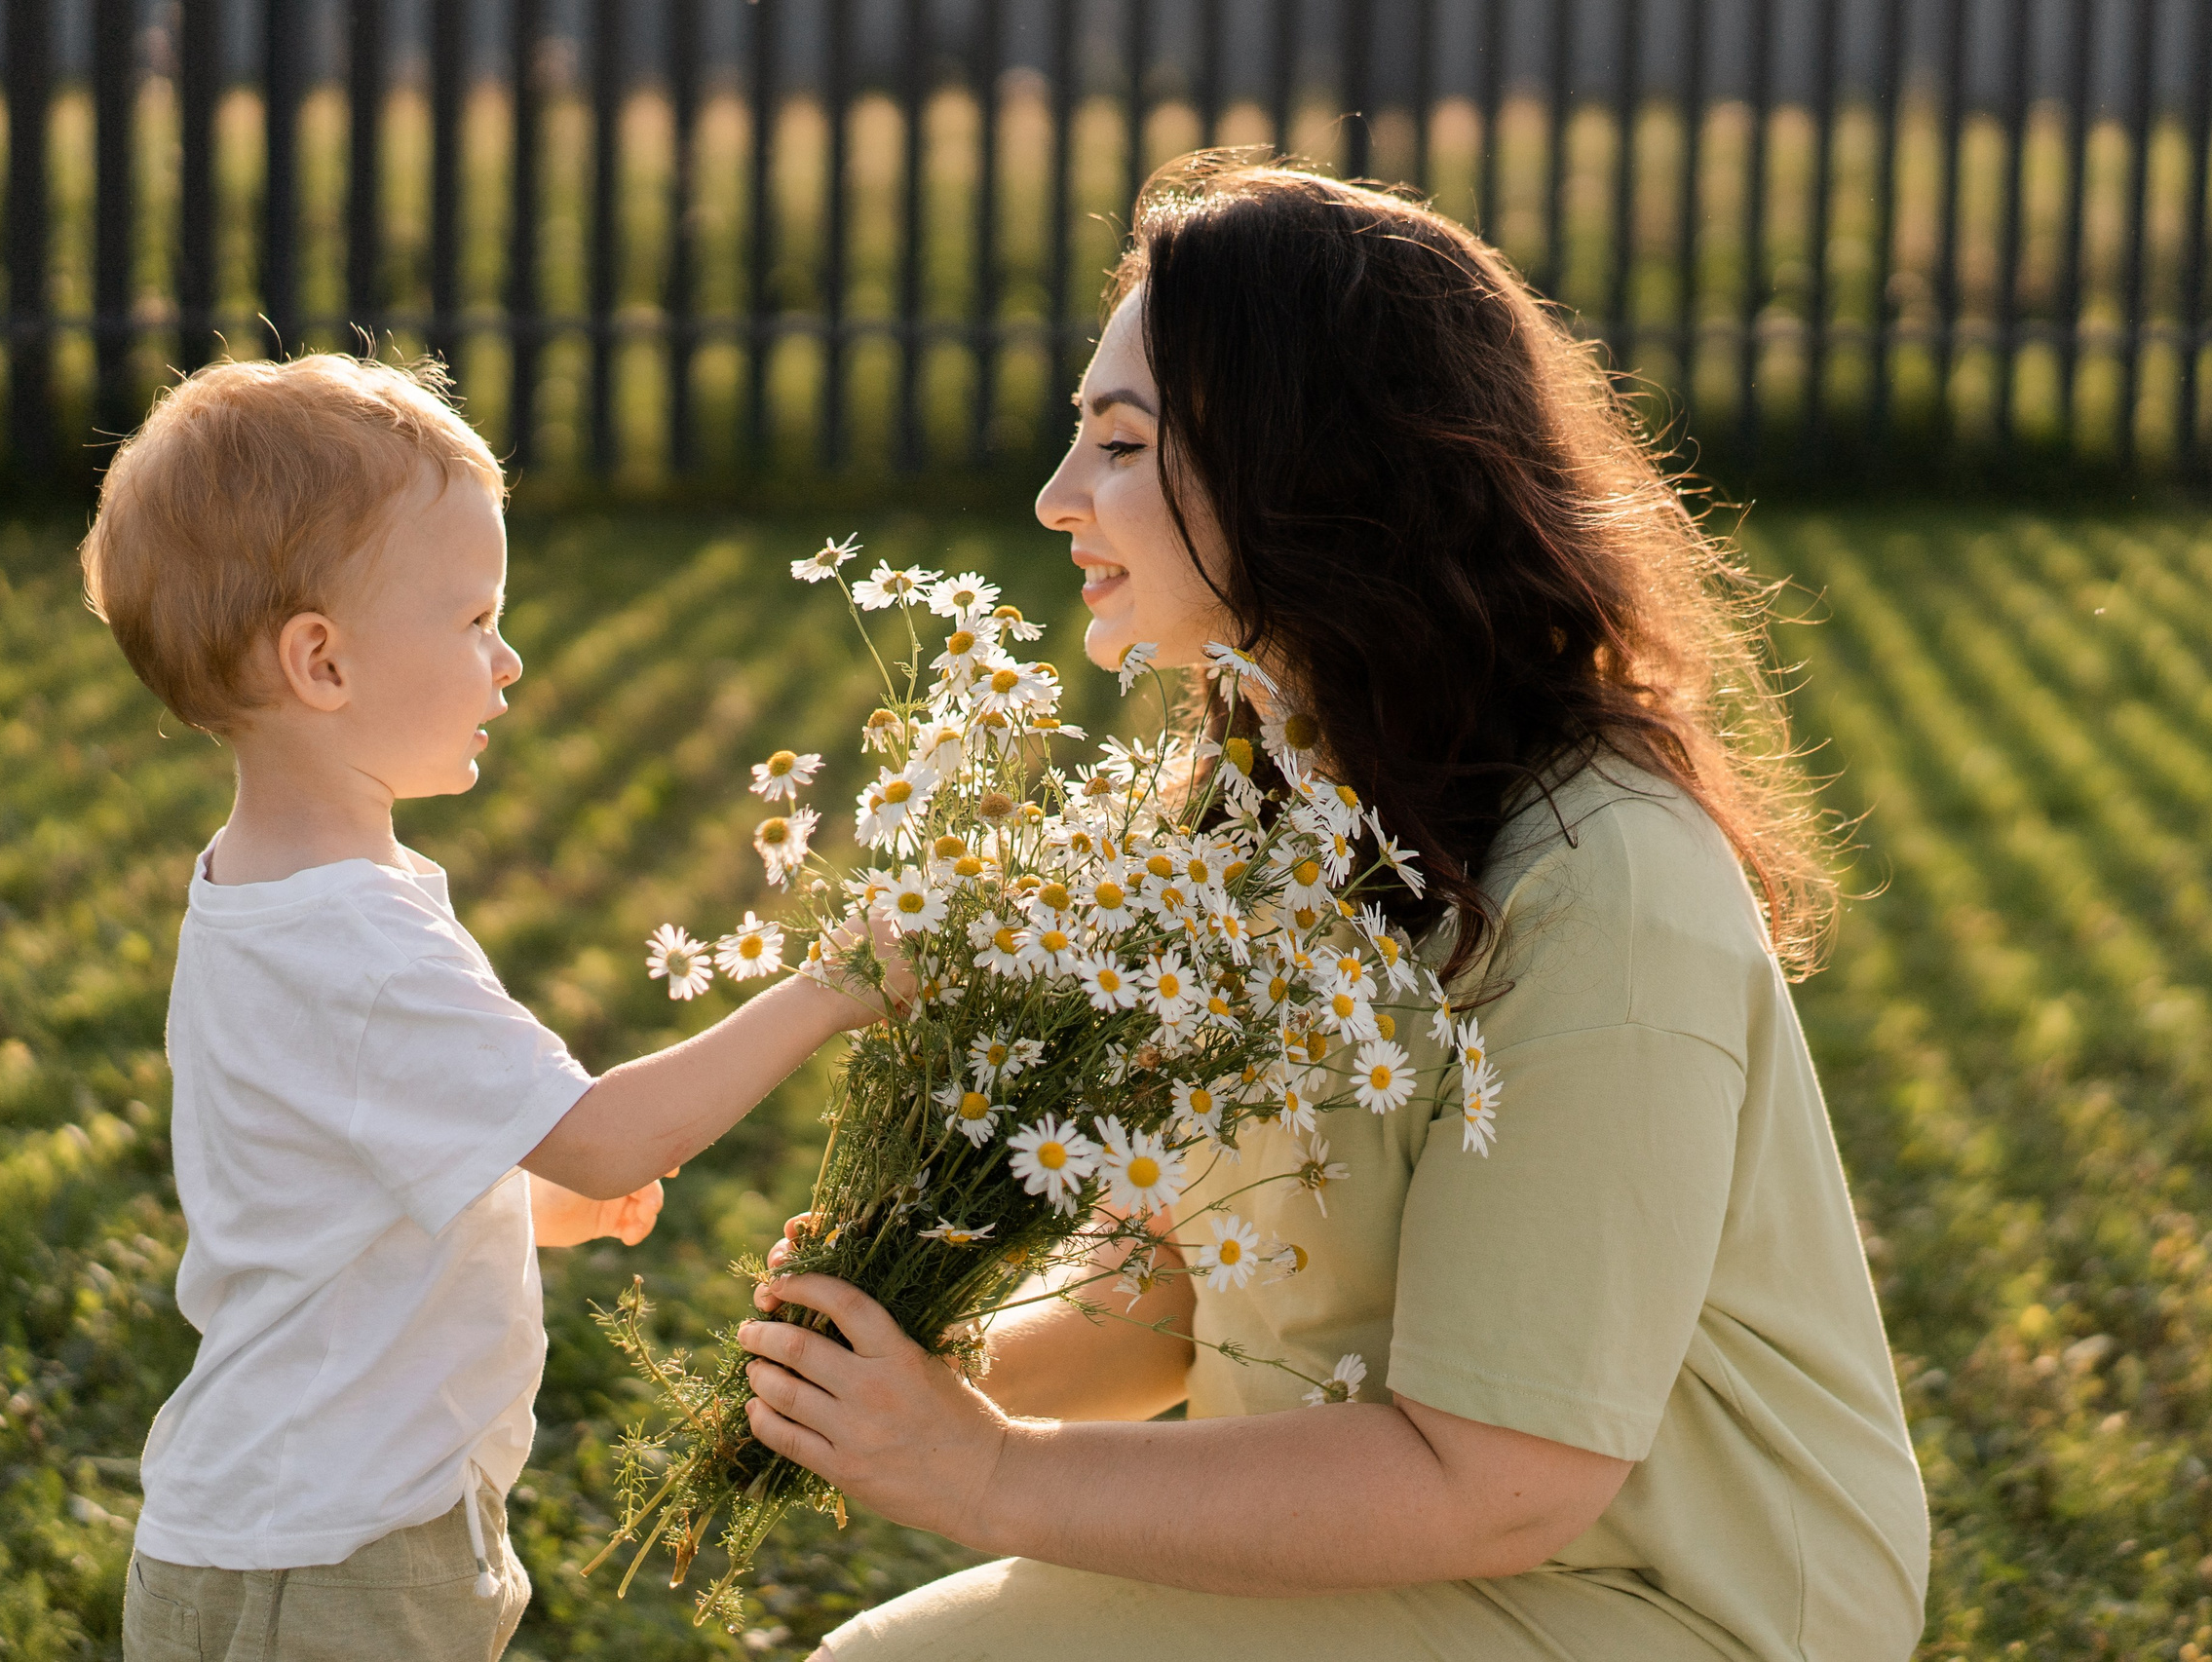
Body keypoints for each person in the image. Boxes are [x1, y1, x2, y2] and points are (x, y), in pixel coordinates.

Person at [733, 157, 1931, 1662]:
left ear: (1306, 467)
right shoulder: (1266, 825)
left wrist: (983, 1472)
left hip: (1668, 1598)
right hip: (1403, 1550)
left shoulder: (1602, 882)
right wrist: (917, 1359)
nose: (1055, 499)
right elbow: (1177, 1287)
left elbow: (1502, 1479)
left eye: (1119, 440)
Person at [81, 355, 891, 1660]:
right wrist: (829, 988)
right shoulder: (359, 938)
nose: (508, 662)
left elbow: (337, 1171)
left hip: (278, 1529)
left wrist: (527, 1207)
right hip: (339, 1560)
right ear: (321, 661)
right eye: (472, 621)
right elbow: (608, 1132)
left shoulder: (266, 895)